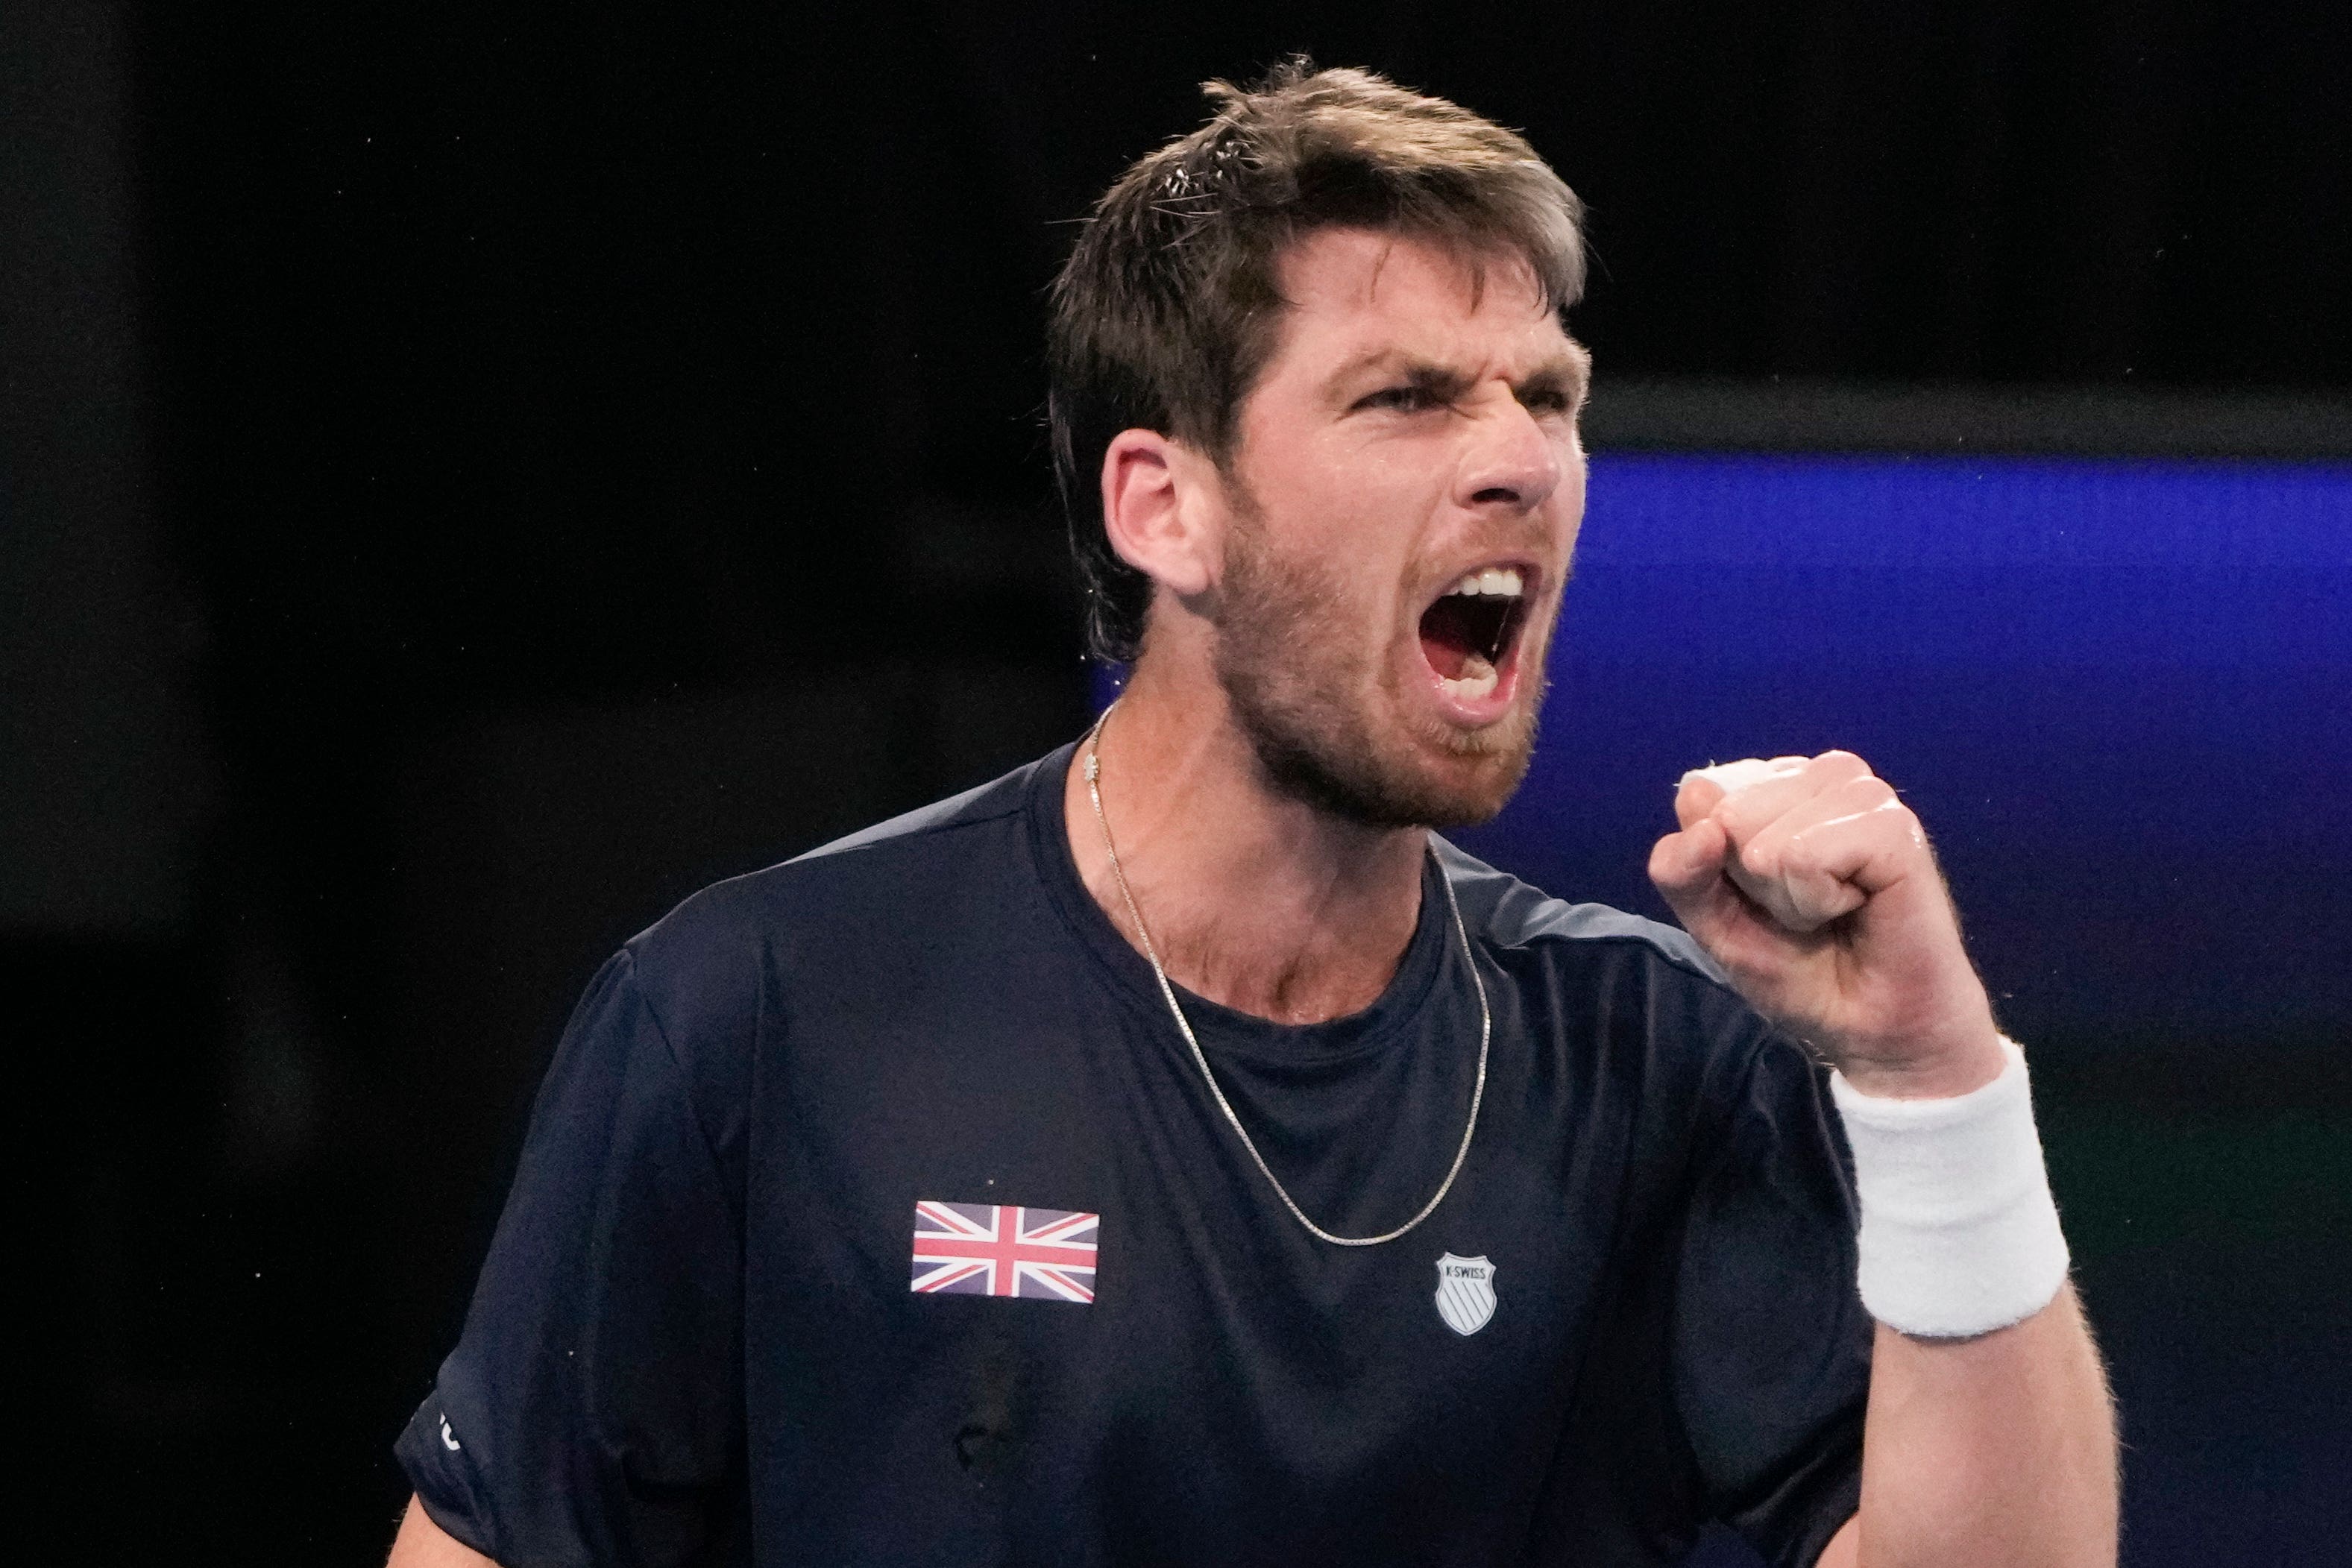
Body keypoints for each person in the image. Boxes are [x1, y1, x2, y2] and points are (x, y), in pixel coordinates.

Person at [388, 63, 2116, 1567]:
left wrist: (1930, 1076)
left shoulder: (1654, 1054)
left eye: (1547, 394)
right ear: (1166, 509)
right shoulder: (757, 1013)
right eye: (1408, 396)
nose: (1518, 456)